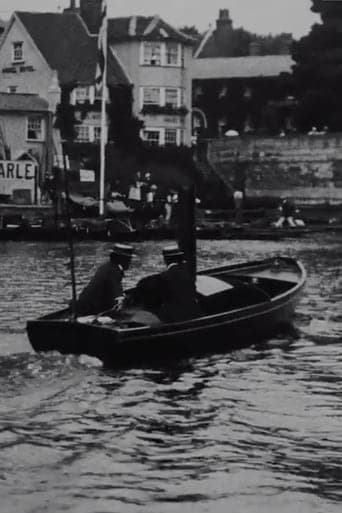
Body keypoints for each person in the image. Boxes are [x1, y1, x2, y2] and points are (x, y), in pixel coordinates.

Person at [74, 244, 134, 316]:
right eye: (129, 259)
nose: (130, 262)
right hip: (91, 309)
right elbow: (117, 295)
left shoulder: (107, 266)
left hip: (85, 304)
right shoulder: (113, 271)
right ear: (122, 259)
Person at [158, 246, 203, 322]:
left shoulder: (166, 275)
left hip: (177, 316)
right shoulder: (187, 270)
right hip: (194, 311)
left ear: (166, 259)